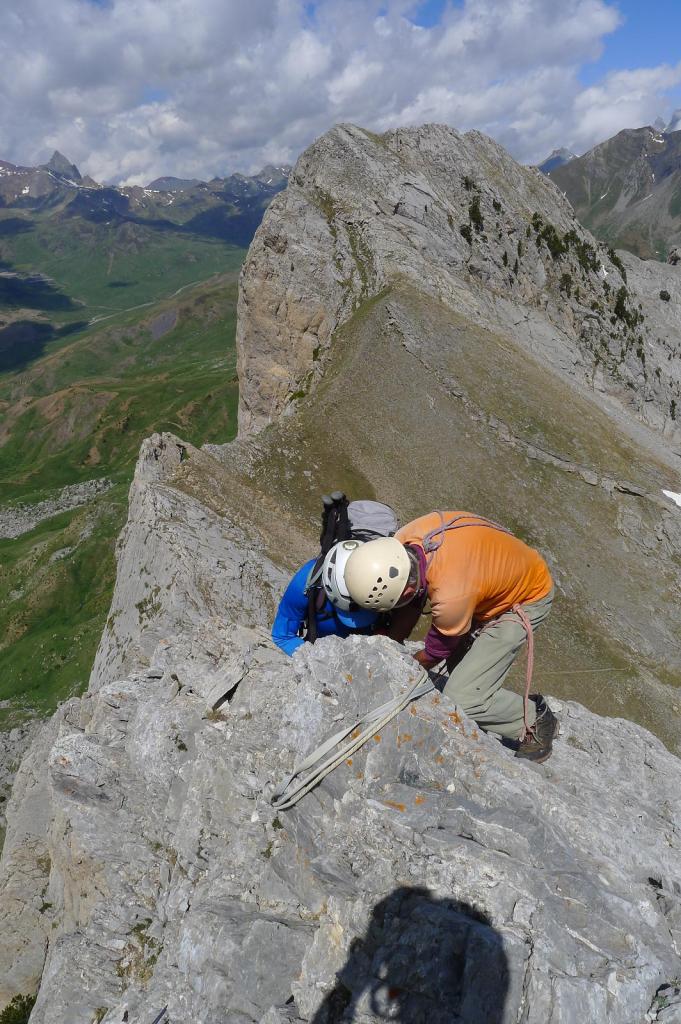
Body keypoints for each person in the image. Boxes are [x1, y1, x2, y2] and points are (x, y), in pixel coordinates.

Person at [335, 511, 558, 763]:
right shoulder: (402, 542)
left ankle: (534, 718)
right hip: (497, 572)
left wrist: (403, 671)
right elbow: (414, 598)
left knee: (462, 697)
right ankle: (488, 692)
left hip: (528, 596)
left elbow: (435, 651)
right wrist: (389, 644)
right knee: (461, 668)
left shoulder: (451, 596)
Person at [272, 540, 379, 656]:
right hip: (321, 651)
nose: (353, 620)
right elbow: (282, 636)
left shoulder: (388, 585)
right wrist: (314, 659)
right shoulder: (306, 582)